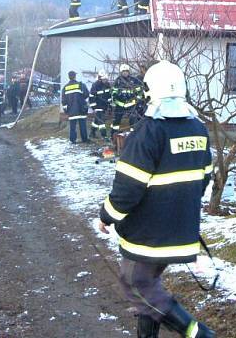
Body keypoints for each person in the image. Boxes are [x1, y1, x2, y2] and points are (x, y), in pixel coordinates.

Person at [98, 61, 215, 338]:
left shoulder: (148, 131)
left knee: (136, 283)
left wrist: (106, 216)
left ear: (151, 91)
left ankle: (197, 334)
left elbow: (127, 189)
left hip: (148, 234)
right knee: (148, 283)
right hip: (181, 228)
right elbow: (205, 178)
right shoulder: (198, 129)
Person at [112, 63, 143, 133]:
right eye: (123, 71)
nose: (125, 73)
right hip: (120, 104)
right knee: (116, 120)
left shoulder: (134, 80)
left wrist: (138, 99)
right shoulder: (118, 81)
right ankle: (113, 134)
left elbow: (140, 91)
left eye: (126, 71)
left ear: (129, 72)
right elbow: (114, 91)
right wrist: (114, 97)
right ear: (121, 72)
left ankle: (133, 134)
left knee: (133, 119)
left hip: (131, 103)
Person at [61, 70, 89, 144]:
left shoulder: (65, 88)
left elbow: (64, 101)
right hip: (81, 109)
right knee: (82, 126)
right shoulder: (80, 85)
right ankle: (84, 139)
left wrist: (66, 110)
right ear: (75, 76)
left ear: (69, 77)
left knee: (72, 127)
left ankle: (73, 140)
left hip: (71, 111)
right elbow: (86, 94)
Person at [89, 71, 112, 142]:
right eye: (104, 79)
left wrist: (110, 106)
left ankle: (92, 133)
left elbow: (109, 96)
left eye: (106, 79)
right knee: (101, 121)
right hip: (97, 106)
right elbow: (91, 97)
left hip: (104, 106)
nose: (105, 80)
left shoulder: (107, 85)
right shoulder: (95, 85)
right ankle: (104, 136)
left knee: (96, 121)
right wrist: (94, 107)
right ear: (100, 79)